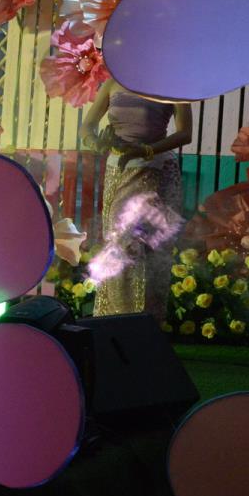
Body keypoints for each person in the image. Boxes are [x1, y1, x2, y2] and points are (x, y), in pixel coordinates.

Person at [83, 78, 192, 321]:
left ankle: (140, 324)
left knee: (144, 249)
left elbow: (185, 133)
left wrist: (146, 151)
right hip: (117, 170)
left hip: (155, 172)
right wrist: (97, 143)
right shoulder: (113, 83)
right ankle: (114, 321)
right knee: (117, 244)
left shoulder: (174, 83)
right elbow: (88, 126)